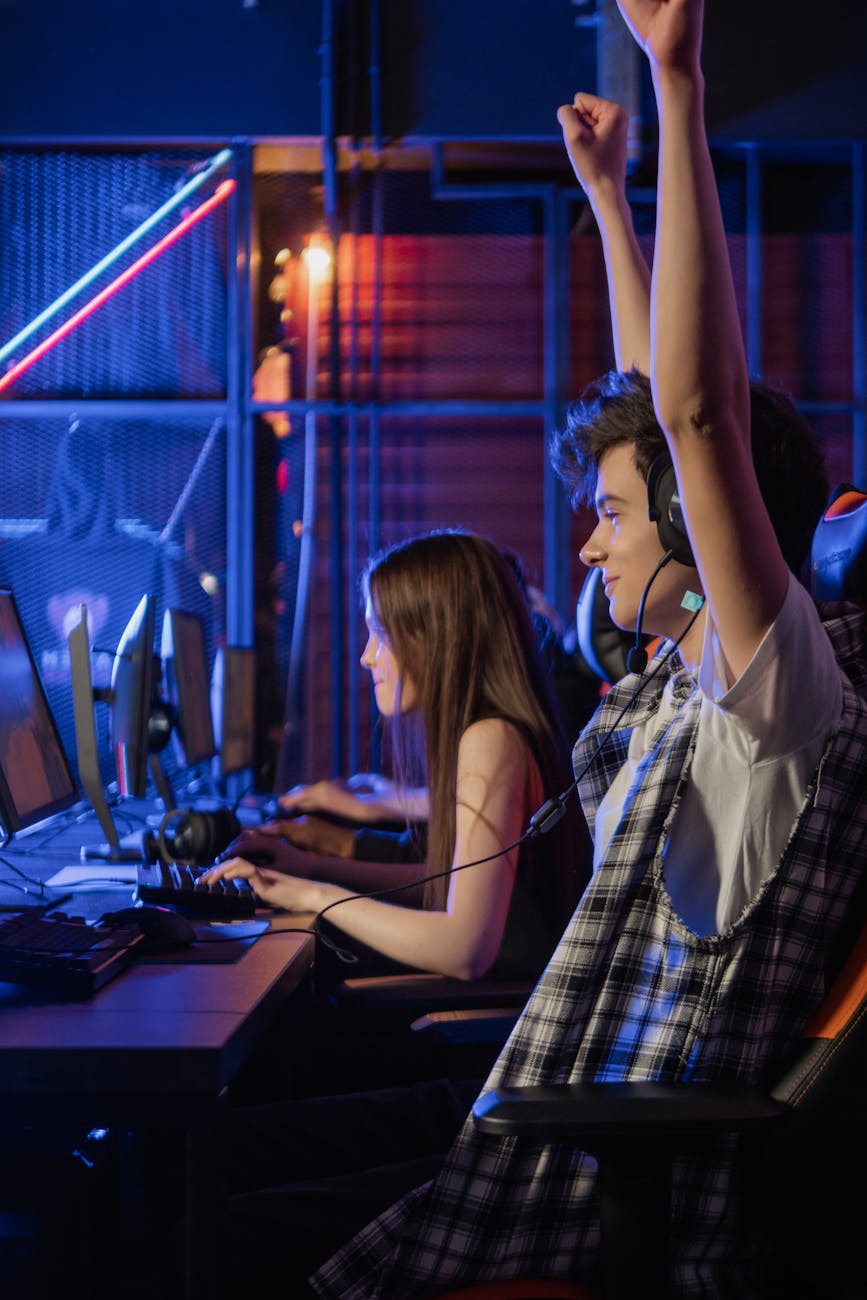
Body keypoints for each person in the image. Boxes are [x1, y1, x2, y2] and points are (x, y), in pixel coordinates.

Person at [302, 3, 867, 1297]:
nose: (586, 546)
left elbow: (688, 418)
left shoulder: (777, 698)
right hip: (544, 1135)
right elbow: (645, 409)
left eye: (609, 517)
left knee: (196, 1211)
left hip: (579, 1192)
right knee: (208, 1167)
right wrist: (607, 203)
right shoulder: (690, 683)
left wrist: (676, 81)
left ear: (696, 524)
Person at [204, 528, 586, 983]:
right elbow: (449, 881)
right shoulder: (491, 729)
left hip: (480, 1024)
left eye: (380, 634)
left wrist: (312, 894)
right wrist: (312, 867)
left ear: (438, 639)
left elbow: (465, 950)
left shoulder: (492, 738)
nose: (367, 657)